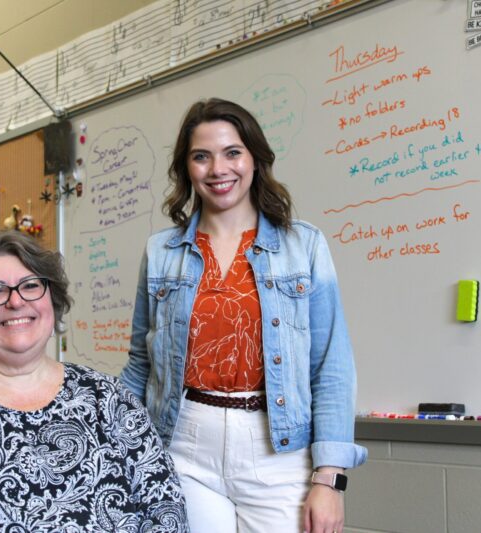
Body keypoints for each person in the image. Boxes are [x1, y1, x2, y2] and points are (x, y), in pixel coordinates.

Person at [121, 98, 367, 533]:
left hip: (277, 449)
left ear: (255, 158)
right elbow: (141, 365)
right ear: (187, 167)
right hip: (182, 444)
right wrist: (116, 448)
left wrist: (330, 479)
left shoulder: (303, 246)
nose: (218, 169)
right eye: (202, 156)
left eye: (232, 152)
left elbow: (331, 366)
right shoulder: (160, 252)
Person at [0, 230, 188, 532]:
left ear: (52, 300)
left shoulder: (108, 399)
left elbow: (164, 509)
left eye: (31, 286)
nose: (15, 301)